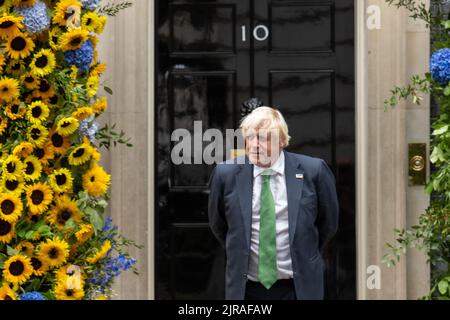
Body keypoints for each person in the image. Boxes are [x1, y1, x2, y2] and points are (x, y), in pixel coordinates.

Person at [208, 106, 339, 300]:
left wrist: (305, 250)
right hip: (246, 289)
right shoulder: (226, 174)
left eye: (263, 138)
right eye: (250, 137)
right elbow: (219, 225)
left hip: (297, 287)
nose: (254, 145)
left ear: (282, 141)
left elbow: (328, 224)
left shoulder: (314, 171)